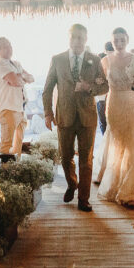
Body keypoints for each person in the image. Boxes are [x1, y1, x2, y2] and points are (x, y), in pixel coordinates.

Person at [43, 23, 109, 212]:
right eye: (74, 37)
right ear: (69, 39)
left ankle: (84, 199)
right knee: (65, 157)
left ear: (86, 39)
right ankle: (72, 183)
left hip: (87, 116)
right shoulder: (57, 59)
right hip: (64, 115)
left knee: (86, 159)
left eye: (81, 37)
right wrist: (48, 113)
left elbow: (105, 87)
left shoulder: (95, 60)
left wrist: (88, 87)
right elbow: (47, 89)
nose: (77, 41)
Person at [97, 28, 134, 209]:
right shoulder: (105, 61)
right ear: (111, 41)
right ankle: (110, 175)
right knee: (115, 136)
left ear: (127, 40)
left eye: (122, 39)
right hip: (113, 101)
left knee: (131, 137)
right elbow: (100, 82)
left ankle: (131, 188)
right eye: (116, 40)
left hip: (131, 100)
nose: (119, 43)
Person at [0, 37, 33, 155]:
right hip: (8, 108)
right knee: (6, 144)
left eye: (10, 45)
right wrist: (20, 77)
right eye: (5, 46)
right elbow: (16, 81)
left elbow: (31, 77)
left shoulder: (16, 63)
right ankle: (3, 171)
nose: (9, 48)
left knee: (18, 143)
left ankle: (15, 169)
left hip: (21, 108)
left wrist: (19, 77)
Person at [97, 40, 115, 135]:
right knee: (106, 122)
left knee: (105, 122)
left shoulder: (104, 60)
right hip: (105, 96)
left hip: (106, 97)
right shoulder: (101, 59)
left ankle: (107, 142)